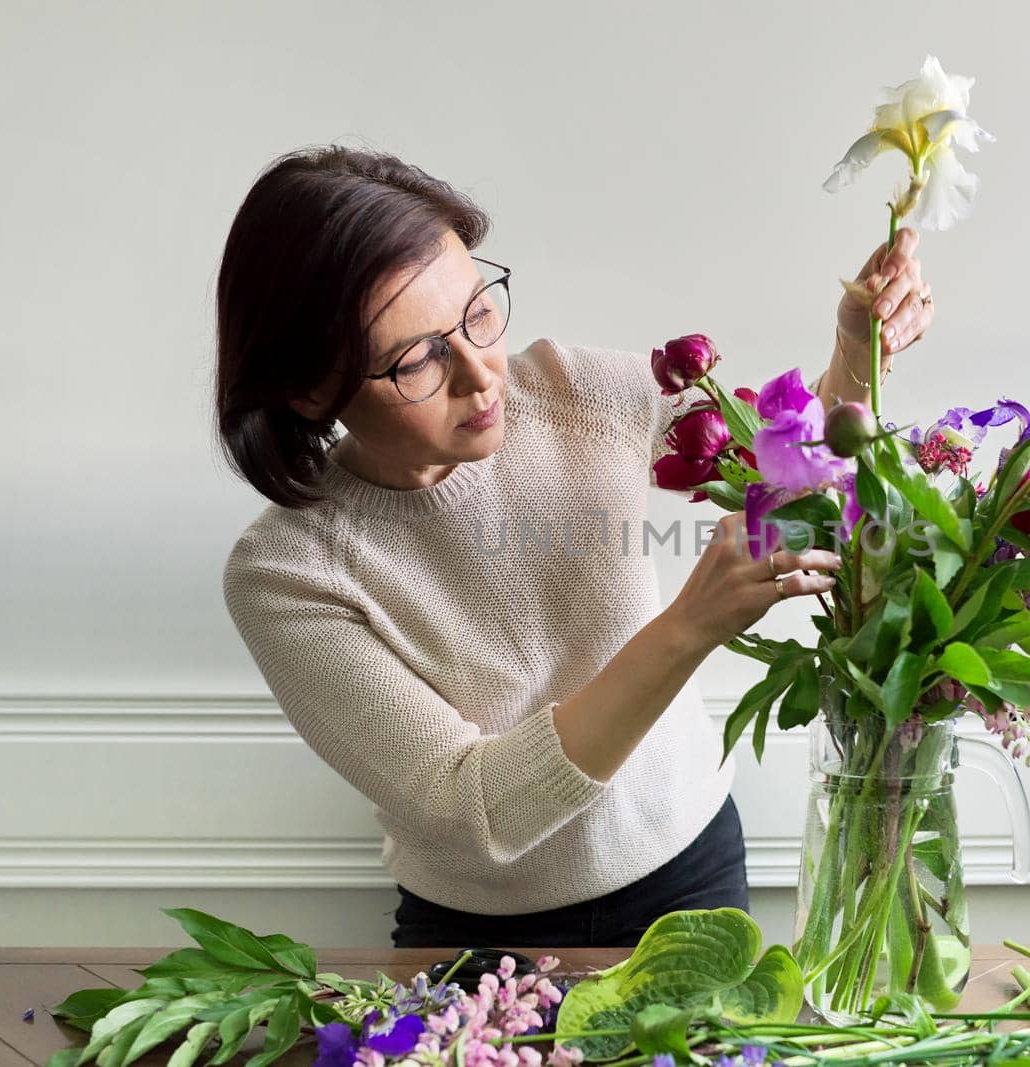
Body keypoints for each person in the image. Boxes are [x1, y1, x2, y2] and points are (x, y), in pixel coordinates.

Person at [213, 145, 935, 948]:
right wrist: (688, 624)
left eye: (479, 313)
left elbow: (789, 471)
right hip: (475, 938)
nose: (482, 375)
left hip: (695, 874)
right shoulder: (288, 574)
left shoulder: (573, 391)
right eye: (418, 358)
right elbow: (474, 810)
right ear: (311, 385)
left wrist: (855, 350)